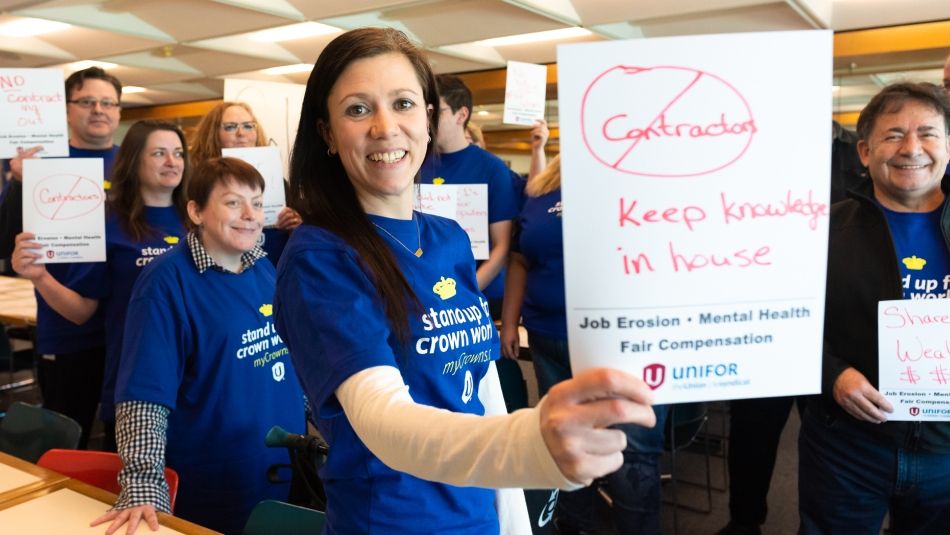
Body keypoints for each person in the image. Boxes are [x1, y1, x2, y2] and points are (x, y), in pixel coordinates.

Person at [274, 27, 657, 534]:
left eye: (404, 103)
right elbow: (383, 422)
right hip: (393, 522)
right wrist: (532, 445)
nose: (386, 127)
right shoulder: (320, 258)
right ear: (326, 133)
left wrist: (512, 517)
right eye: (358, 109)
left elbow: (479, 388)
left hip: (478, 512)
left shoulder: (449, 238)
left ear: (429, 120)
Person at [92, 157, 306, 535]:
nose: (249, 215)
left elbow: (286, 359)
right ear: (196, 211)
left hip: (277, 469)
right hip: (210, 483)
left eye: (257, 203)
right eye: (232, 202)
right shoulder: (164, 284)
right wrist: (143, 484)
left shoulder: (262, 268)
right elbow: (144, 397)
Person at [799, 82, 950, 533]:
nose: (911, 148)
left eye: (927, 133)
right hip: (846, 444)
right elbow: (786, 325)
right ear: (864, 151)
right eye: (893, 135)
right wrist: (833, 375)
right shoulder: (819, 231)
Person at [501, 154, 668, 535]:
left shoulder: (634, 177)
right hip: (548, 340)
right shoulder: (540, 189)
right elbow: (519, 261)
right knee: (565, 440)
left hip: (621, 343)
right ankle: (579, 526)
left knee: (633, 451)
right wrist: (509, 322)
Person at [11, 120, 190, 451]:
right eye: (159, 153)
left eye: (178, 153)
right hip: (135, 375)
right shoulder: (106, 224)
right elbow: (82, 312)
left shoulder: (199, 220)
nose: (172, 161)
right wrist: (40, 276)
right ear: (134, 161)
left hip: (195, 374)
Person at [1, 67, 123, 448]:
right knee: (66, 440)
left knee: (122, 440)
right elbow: (7, 242)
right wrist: (19, 182)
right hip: (66, 328)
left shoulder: (134, 165)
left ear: (119, 111)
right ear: (67, 109)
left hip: (127, 330)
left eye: (108, 102)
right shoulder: (38, 164)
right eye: (87, 101)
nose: (99, 110)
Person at [421, 74, 518, 308]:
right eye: (426, 111)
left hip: (480, 294)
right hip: (425, 292)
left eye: (437, 112)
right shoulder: (414, 163)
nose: (427, 119)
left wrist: (465, 290)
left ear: (461, 115)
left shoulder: (492, 169)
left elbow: (502, 246)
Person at [190, 101, 301, 264]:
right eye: (230, 127)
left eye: (248, 126)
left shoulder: (278, 180)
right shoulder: (199, 181)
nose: (241, 133)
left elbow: (295, 236)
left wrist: (295, 226)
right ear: (213, 135)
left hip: (275, 268)